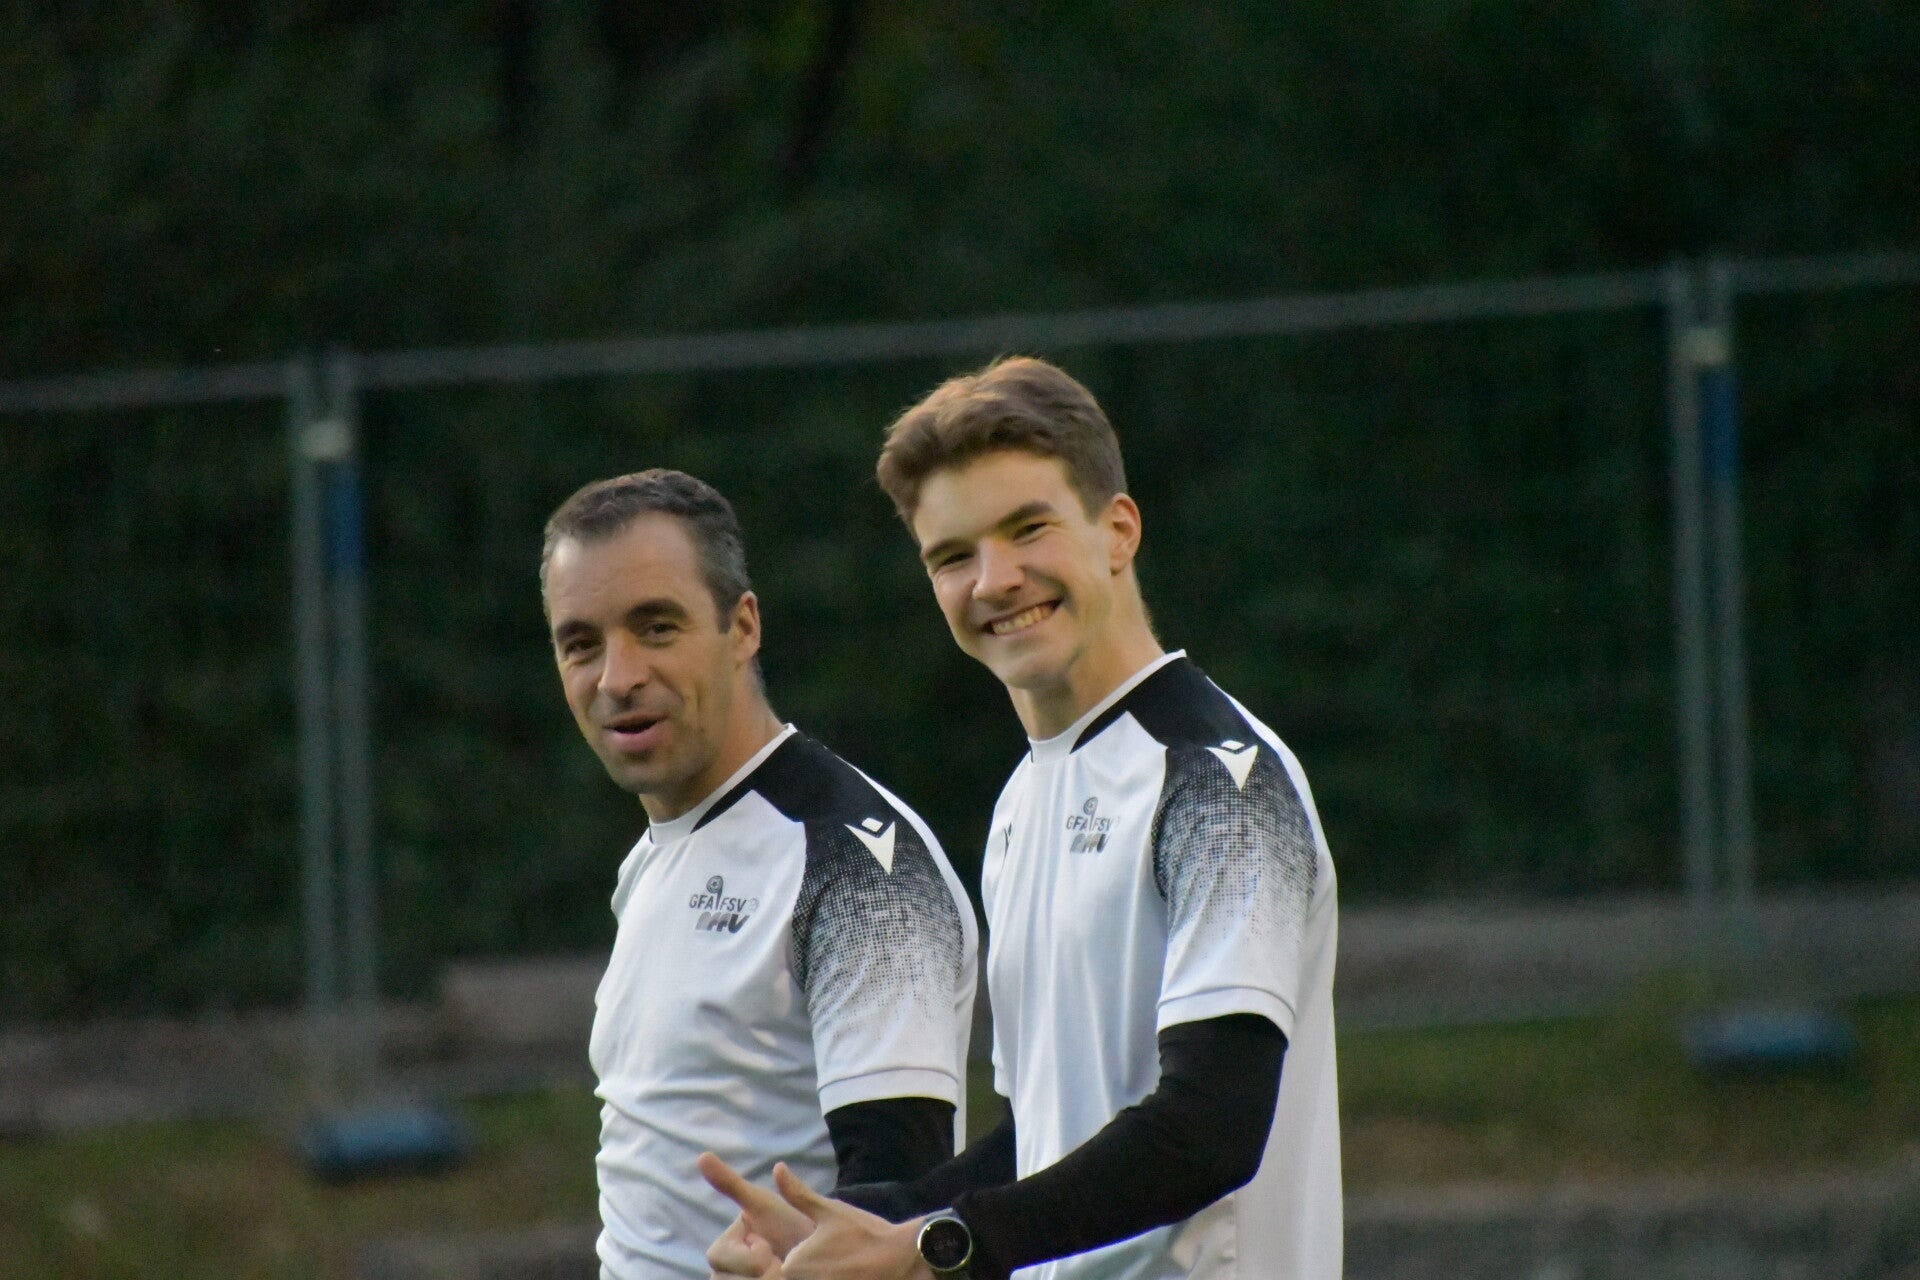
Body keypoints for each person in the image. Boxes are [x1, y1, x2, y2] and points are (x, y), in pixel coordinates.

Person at [702, 358, 1341, 1280]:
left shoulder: (1220, 782)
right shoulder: (1026, 796)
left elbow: (1211, 1129)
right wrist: (851, 1224)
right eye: (952, 557)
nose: (995, 580)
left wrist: (937, 1247)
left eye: (1027, 529)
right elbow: (1043, 1136)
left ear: (1118, 531)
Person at [541, 469, 979, 1280]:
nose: (617, 677)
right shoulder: (656, 856)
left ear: (742, 627)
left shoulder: (856, 866)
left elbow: (899, 1208)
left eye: (656, 628)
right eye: (581, 644)